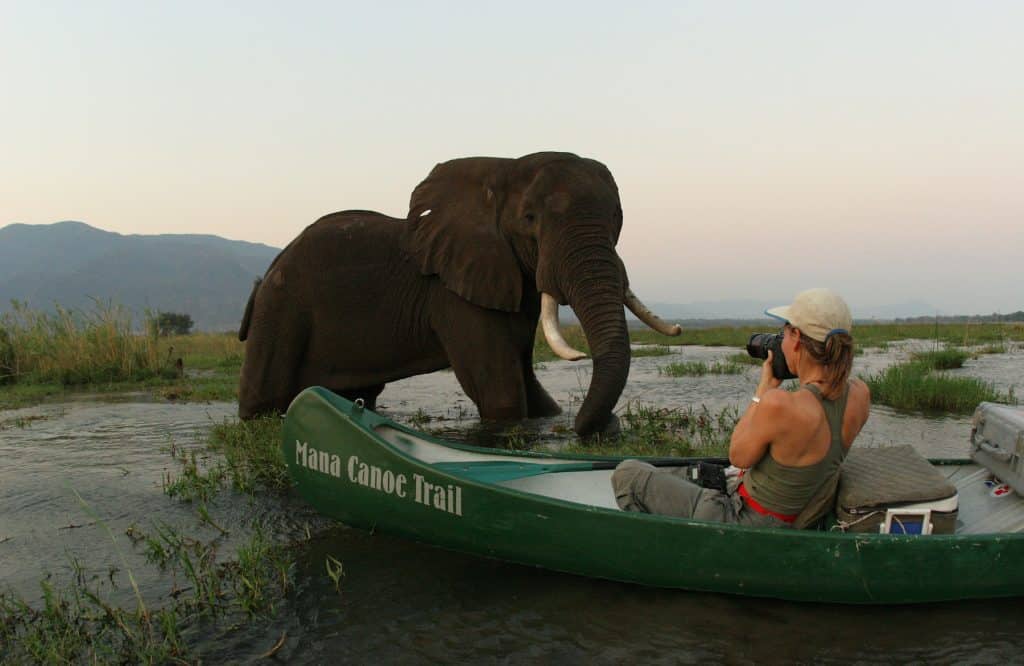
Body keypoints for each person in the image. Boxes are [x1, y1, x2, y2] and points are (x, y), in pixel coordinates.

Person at [611, 288, 871, 527]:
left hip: (740, 518)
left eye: (784, 332)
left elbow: (738, 455)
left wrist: (763, 389)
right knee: (679, 472)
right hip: (791, 517)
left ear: (796, 338)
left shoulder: (781, 404)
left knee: (627, 474)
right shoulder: (859, 395)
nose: (780, 341)